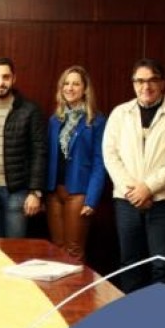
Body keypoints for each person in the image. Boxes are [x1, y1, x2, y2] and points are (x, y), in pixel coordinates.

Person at [103, 58, 165, 292]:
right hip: (126, 199)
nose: (146, 86)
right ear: (133, 84)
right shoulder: (120, 113)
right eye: (140, 81)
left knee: (162, 265)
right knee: (129, 264)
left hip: (164, 201)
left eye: (153, 80)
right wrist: (134, 191)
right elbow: (110, 154)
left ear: (162, 83)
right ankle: (132, 313)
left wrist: (149, 188)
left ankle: (159, 314)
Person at [0, 57, 46, 238]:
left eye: (6, 77)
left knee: (15, 247)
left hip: (16, 191)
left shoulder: (30, 110)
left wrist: (35, 192)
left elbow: (39, 152)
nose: (1, 82)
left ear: (14, 78)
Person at [45, 66, 107, 262]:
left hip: (79, 193)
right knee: (56, 249)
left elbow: (99, 162)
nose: (70, 88)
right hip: (54, 192)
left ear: (85, 89)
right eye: (66, 83)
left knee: (74, 251)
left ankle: (78, 284)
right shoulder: (55, 120)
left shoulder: (96, 121)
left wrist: (92, 199)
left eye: (76, 84)